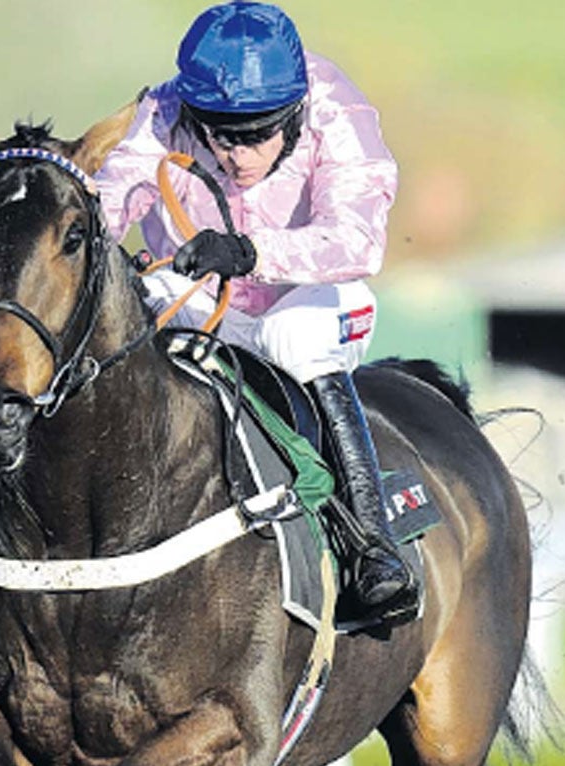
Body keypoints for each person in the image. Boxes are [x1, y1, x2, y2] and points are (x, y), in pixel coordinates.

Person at [94, 1, 419, 628]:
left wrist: (248, 253)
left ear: (294, 112)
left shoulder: (338, 113)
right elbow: (112, 196)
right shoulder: (163, 111)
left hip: (314, 301)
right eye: (218, 135)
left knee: (288, 335)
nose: (236, 155)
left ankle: (372, 545)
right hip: (192, 300)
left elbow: (359, 241)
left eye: (255, 136)